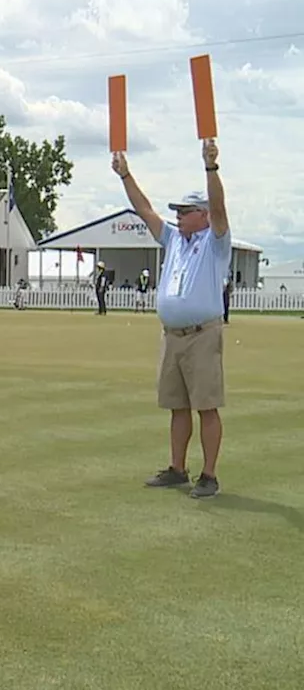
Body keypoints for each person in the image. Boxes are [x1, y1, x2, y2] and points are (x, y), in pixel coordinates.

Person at [113, 139, 229, 499]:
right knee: (177, 406)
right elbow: (144, 209)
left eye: (185, 210)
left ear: (203, 214)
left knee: (206, 406)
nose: (178, 216)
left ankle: (209, 476)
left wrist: (211, 167)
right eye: (177, 211)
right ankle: (178, 468)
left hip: (202, 334)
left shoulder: (216, 241)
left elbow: (220, 208)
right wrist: (125, 175)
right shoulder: (174, 240)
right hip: (172, 335)